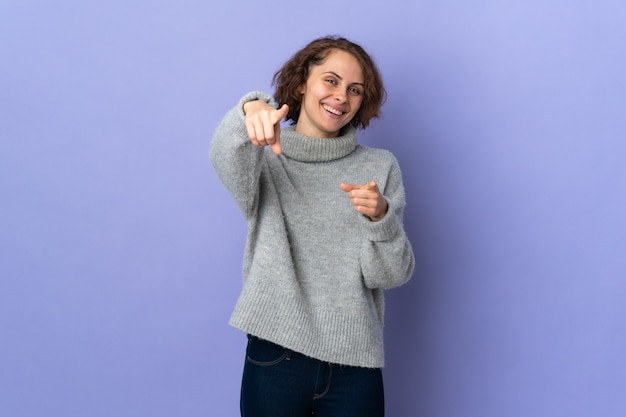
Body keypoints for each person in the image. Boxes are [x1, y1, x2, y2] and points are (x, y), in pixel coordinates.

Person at [210, 35, 415, 417]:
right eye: (331, 80)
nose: (342, 96)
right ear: (303, 81)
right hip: (276, 355)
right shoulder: (266, 158)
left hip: (355, 363)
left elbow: (389, 274)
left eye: (355, 89)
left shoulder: (380, 166)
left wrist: (381, 218)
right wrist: (249, 107)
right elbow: (224, 155)